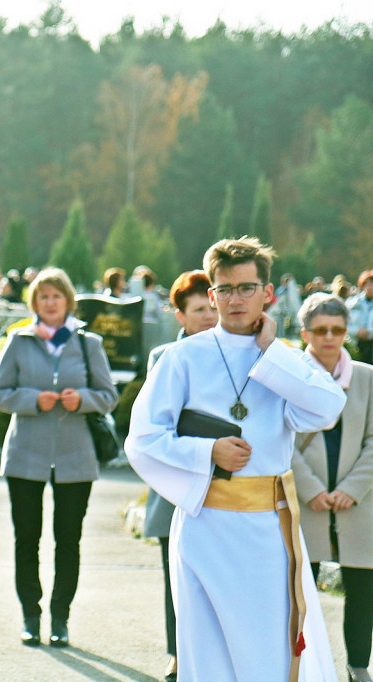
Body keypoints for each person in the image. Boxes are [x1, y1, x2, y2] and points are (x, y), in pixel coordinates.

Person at [126, 237, 346, 682]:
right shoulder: (182, 358)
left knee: (270, 654)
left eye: (247, 288)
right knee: (207, 656)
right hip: (205, 523)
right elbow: (142, 439)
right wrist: (206, 450)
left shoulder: (282, 359)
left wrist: (271, 352)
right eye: (225, 289)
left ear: (268, 293)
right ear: (211, 295)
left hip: (268, 531)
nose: (235, 299)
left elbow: (326, 409)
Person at [0, 267, 119, 649]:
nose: (50, 303)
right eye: (43, 297)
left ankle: (60, 617)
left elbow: (108, 395)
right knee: (27, 538)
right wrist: (31, 400)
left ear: (67, 301)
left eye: (56, 297)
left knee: (68, 539)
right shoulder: (18, 341)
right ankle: (31, 615)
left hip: (76, 456)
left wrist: (84, 400)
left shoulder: (88, 343)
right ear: (34, 303)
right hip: (25, 454)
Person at [291, 293, 373, 682]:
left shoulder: (366, 376)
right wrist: (311, 489)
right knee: (300, 594)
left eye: (337, 330)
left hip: (357, 503)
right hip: (306, 501)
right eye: (320, 330)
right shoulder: (290, 373)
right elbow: (280, 439)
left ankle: (358, 667)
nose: (329, 337)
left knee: (362, 593)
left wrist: (352, 489)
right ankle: (299, 664)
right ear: (305, 332)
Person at [141, 270, 218, 682]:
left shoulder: (233, 355)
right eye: (199, 310)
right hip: (175, 478)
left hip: (224, 479)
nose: (208, 316)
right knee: (175, 574)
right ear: (180, 316)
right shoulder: (164, 357)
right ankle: (176, 654)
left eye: (212, 307)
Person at [347, 270, 373, 363]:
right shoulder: (352, 303)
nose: (370, 287)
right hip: (355, 345)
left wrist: (369, 332)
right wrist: (357, 331)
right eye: (367, 284)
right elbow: (345, 324)